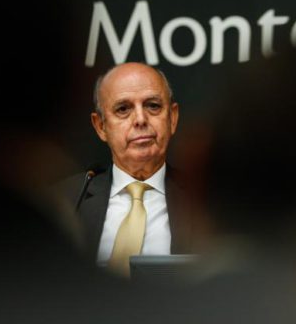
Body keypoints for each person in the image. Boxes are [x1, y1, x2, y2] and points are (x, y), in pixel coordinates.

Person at [59, 62, 199, 277]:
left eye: (153, 106)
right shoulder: (66, 200)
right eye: (123, 109)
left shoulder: (205, 198)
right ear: (101, 126)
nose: (140, 120)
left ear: (172, 118)